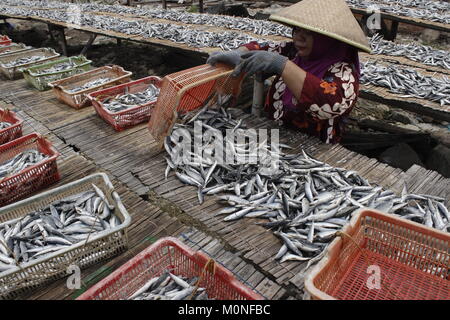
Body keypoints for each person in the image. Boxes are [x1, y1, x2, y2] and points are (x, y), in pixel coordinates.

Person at [207, 0, 371, 144]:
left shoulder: (344, 72)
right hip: (276, 135)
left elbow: (328, 104)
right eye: (297, 30)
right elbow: (262, 48)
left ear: (329, 39)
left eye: (310, 33)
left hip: (316, 151)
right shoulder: (295, 52)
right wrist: (240, 53)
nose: (298, 38)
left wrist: (282, 66)